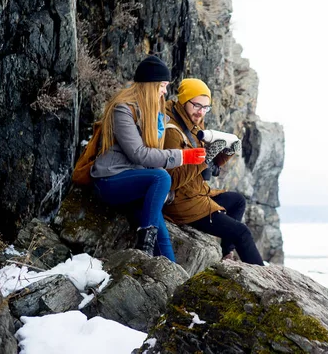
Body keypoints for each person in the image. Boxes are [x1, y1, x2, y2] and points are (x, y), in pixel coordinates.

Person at [90, 56, 206, 262]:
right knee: (160, 177)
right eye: (162, 86)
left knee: (165, 248)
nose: (165, 91)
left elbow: (147, 160)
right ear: (150, 84)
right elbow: (139, 154)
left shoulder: (154, 112)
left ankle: (170, 282)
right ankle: (144, 247)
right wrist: (183, 156)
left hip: (135, 185)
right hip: (110, 181)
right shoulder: (123, 109)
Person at [162, 78, 264, 266]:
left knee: (238, 201)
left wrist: (226, 153)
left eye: (206, 107)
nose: (201, 112)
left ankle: (227, 254)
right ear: (184, 100)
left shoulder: (192, 122)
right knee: (241, 232)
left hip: (197, 194)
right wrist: (204, 159)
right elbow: (170, 181)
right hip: (182, 203)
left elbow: (210, 168)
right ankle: (264, 284)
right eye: (196, 105)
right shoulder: (172, 132)